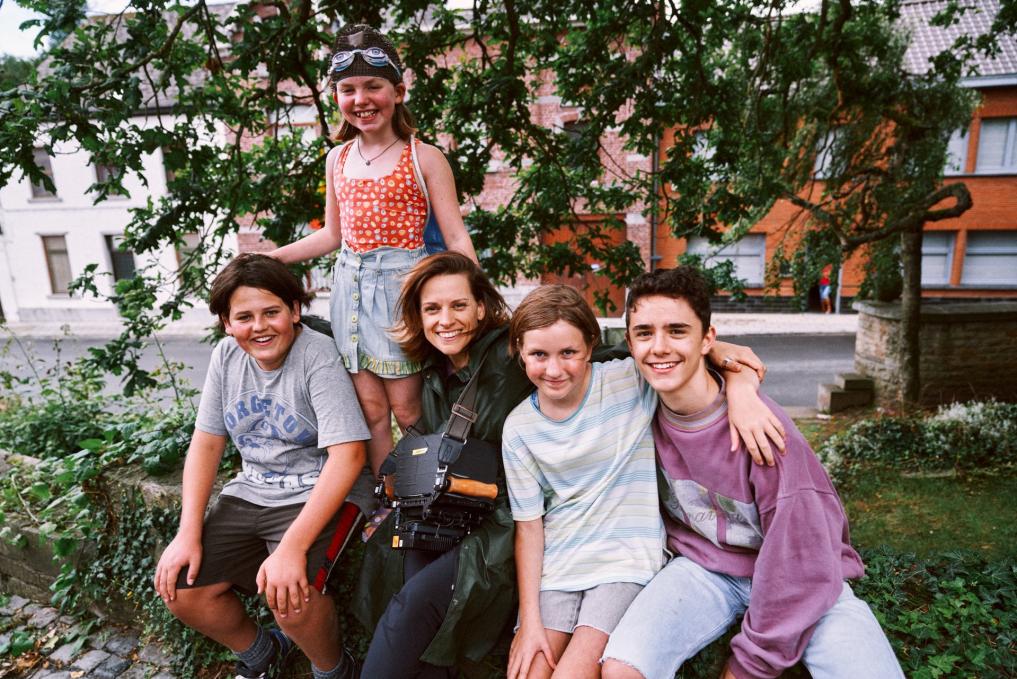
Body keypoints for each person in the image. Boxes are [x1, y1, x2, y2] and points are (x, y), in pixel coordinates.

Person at [352, 252, 786, 679]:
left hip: (541, 533)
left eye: (458, 305)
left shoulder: (528, 360)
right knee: (413, 592)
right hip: (496, 526)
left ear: (481, 308)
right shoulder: (441, 374)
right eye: (433, 308)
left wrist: (734, 372)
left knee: (420, 607)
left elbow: (656, 352)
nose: (446, 318)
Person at [601, 266, 903, 679]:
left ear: (706, 338)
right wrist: (732, 368)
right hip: (705, 568)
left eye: (677, 330)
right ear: (630, 342)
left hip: (805, 578)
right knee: (623, 668)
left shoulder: (762, 430)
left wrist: (749, 664)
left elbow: (801, 562)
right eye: (644, 333)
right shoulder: (636, 402)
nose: (658, 347)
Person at [268, 25, 479, 519]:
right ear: (336, 95)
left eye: (373, 86)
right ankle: (392, 502)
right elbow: (331, 237)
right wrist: (272, 258)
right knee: (372, 413)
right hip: (350, 295)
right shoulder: (337, 158)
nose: (361, 99)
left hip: (401, 295)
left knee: (409, 409)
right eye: (348, 89)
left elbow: (456, 237)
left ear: (398, 91)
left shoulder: (423, 157)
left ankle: (431, 489)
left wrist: (477, 293)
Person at [153, 254, 371, 679]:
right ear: (226, 323)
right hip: (252, 488)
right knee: (180, 588)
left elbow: (349, 456)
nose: (260, 326)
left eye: (272, 312)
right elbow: (207, 442)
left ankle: (334, 671)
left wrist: (291, 548)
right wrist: (187, 532)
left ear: (294, 310)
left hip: (319, 488)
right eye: (244, 317)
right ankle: (261, 652)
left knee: (290, 597)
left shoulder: (316, 355)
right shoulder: (226, 357)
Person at [502, 285, 665, 679]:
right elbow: (529, 527)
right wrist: (530, 621)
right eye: (539, 354)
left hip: (624, 560)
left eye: (568, 353)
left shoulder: (630, 381)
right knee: (525, 673)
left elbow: (692, 352)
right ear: (520, 351)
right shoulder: (519, 428)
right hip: (557, 570)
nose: (554, 370)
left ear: (590, 346)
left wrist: (738, 366)